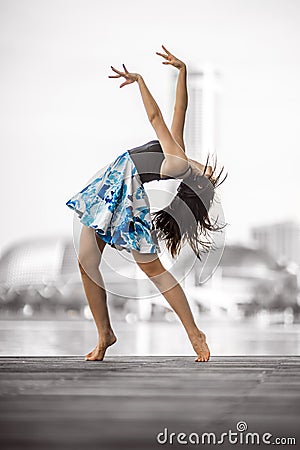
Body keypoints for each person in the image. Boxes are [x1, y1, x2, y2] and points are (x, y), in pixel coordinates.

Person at [65, 45, 227, 363]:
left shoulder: (178, 161)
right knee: (86, 262)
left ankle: (195, 333)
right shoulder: (178, 149)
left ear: (197, 182)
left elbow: (155, 118)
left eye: (207, 176)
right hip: (111, 184)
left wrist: (140, 81)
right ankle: (105, 335)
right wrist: (183, 72)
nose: (209, 170)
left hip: (124, 190)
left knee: (153, 269)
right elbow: (180, 109)